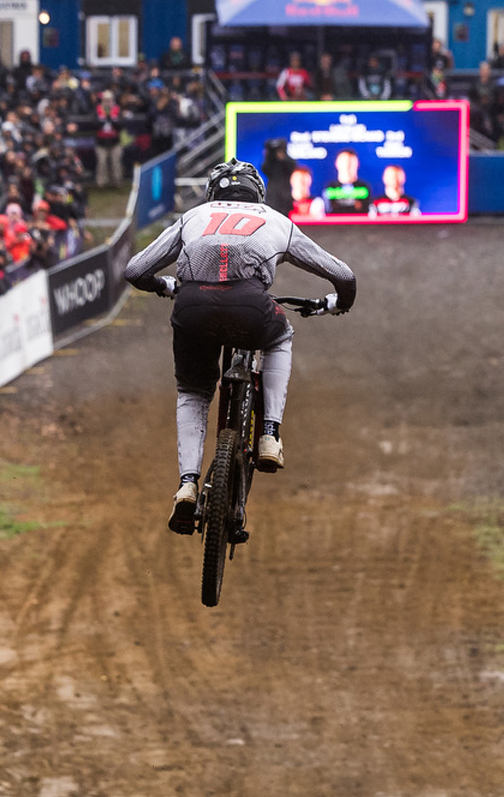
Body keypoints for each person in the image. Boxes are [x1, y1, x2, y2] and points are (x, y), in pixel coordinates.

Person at [122, 160, 356, 528]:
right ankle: (269, 435)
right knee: (281, 336)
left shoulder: (194, 216)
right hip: (250, 305)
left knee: (193, 393)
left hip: (192, 306)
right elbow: (343, 274)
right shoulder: (276, 220)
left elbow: (135, 270)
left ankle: (186, 484)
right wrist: (337, 303)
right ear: (257, 192)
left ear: (213, 193)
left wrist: (165, 285)